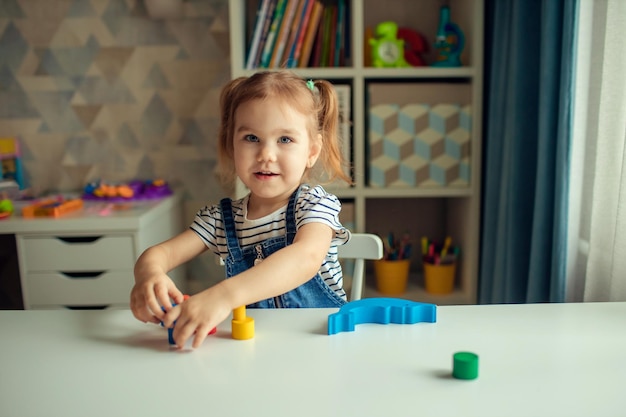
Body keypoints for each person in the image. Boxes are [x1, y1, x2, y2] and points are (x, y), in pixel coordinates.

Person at [130, 70, 353, 348]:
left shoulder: (315, 206)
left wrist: (222, 297)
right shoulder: (220, 221)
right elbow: (159, 254)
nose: (266, 155)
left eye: (285, 139)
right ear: (231, 145)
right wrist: (149, 276)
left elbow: (305, 258)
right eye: (251, 138)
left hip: (320, 345)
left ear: (312, 151)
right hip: (252, 350)